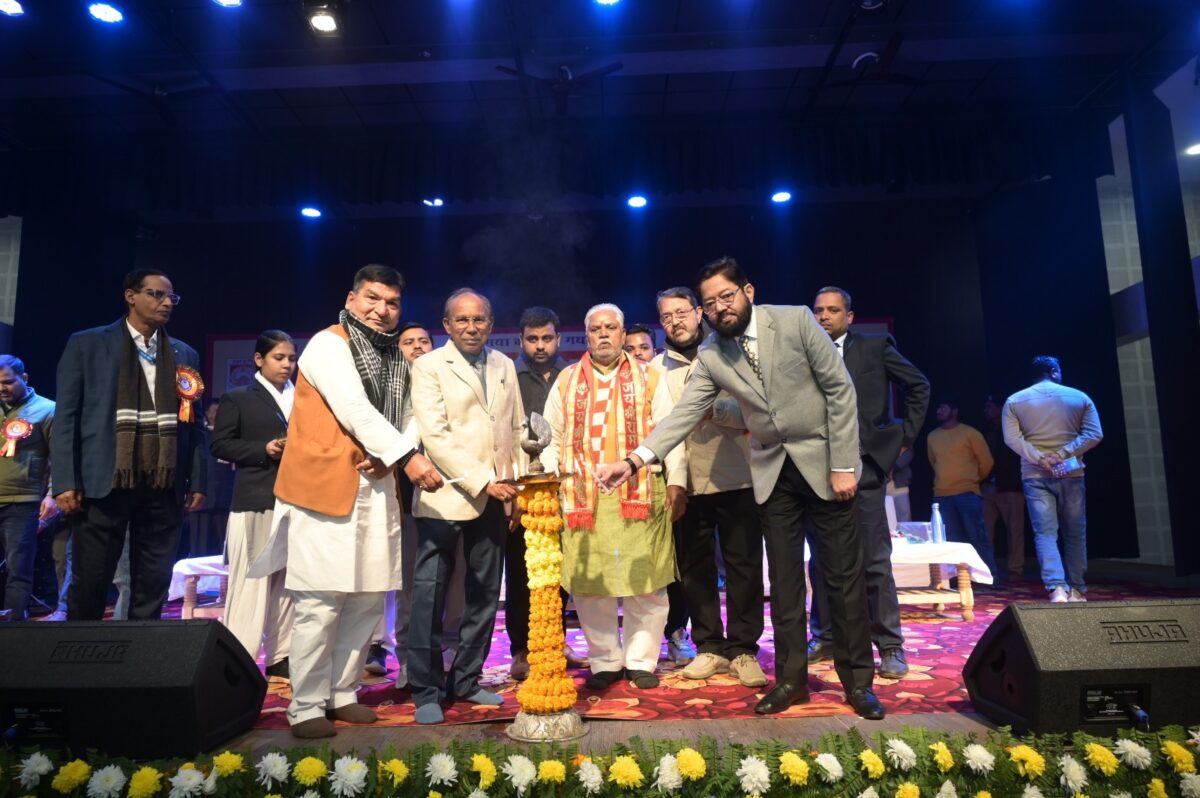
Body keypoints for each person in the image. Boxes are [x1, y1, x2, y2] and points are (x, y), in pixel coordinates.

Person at [597, 256, 884, 720]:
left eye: (726, 297)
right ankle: (790, 681)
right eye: (710, 303)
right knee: (784, 584)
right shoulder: (712, 354)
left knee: (842, 579)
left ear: (747, 291)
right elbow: (683, 415)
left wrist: (844, 465)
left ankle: (858, 682)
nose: (719, 308)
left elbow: (839, 390)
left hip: (826, 464)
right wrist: (633, 461)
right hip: (771, 473)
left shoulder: (795, 321)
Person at [266, 264, 443, 739]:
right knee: (320, 601)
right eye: (372, 299)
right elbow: (353, 408)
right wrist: (405, 457)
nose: (382, 310)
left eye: (392, 303)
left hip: (377, 483)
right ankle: (306, 704)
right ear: (351, 299)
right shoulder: (329, 344)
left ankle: (342, 693)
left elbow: (414, 414)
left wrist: (391, 454)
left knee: (367, 597)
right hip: (325, 484)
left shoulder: (396, 357)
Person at [51, 269, 208, 621]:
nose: (166, 303)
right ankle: (79, 651)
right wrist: (64, 481)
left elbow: (194, 424)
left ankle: (140, 651)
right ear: (130, 296)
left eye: (171, 297)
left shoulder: (184, 353)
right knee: (91, 581)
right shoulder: (88, 344)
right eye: (156, 294)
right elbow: (67, 418)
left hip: (163, 481)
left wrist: (197, 480)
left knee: (153, 583)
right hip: (104, 479)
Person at [543, 303, 686, 691]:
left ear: (623, 334)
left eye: (610, 328)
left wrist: (678, 482)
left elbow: (670, 433)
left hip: (642, 492)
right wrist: (552, 481)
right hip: (583, 496)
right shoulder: (567, 380)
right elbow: (551, 437)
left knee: (646, 580)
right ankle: (604, 660)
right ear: (586, 335)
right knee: (591, 584)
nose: (603, 334)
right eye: (596, 329)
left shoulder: (650, 376)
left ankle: (641, 660)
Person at [409, 288, 525, 724]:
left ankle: (467, 679)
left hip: (497, 495)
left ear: (491, 324)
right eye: (462, 320)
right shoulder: (428, 365)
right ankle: (426, 689)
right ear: (447, 325)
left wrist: (514, 486)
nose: (471, 327)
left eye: (479, 320)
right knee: (430, 594)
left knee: (485, 593)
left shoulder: (504, 364)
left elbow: (514, 430)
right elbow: (435, 435)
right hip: (446, 493)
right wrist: (483, 481)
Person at [807, 287, 929, 680]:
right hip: (817, 470)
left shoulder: (874, 347)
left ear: (850, 316)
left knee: (874, 560)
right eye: (818, 311)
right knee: (822, 561)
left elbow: (918, 385)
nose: (824, 317)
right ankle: (825, 636)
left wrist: (902, 439)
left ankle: (889, 644)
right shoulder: (805, 353)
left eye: (832, 310)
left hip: (865, 467)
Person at [651, 288, 766, 688]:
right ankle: (709, 646)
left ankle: (744, 648)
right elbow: (661, 429)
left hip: (737, 476)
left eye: (682, 312)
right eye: (667, 317)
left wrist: (709, 408)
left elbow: (754, 411)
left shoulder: (729, 353)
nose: (675, 322)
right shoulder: (655, 369)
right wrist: (674, 481)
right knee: (694, 570)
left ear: (699, 313)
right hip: (685, 483)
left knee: (743, 567)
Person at [364, 322, 466, 685]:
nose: (418, 347)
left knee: (456, 582)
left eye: (424, 341)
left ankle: (451, 651)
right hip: (405, 501)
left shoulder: (448, 382)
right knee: (411, 585)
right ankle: (409, 659)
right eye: (409, 342)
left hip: (454, 496)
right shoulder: (390, 392)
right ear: (398, 350)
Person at [506, 306, 588, 681]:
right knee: (521, 570)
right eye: (532, 339)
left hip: (563, 486)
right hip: (523, 490)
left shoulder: (571, 377)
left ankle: (555, 641)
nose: (540, 346)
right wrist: (511, 489)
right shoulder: (509, 377)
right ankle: (521, 649)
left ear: (559, 339)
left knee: (559, 568)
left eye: (547, 338)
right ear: (521, 340)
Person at [210, 330, 297, 678]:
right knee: (251, 580)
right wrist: (264, 449)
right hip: (256, 498)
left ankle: (281, 655)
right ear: (259, 359)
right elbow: (220, 444)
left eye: (291, 358)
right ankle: (239, 657)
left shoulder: (303, 398)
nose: (287, 365)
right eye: (279, 357)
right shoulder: (239, 398)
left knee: (289, 581)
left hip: (296, 499)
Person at [624, 321, 697, 667]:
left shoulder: (660, 381)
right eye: (630, 348)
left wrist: (676, 481)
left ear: (654, 351)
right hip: (626, 488)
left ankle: (677, 632)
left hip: (665, 482)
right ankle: (633, 644)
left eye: (643, 348)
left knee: (675, 564)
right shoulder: (615, 386)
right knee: (635, 569)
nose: (637, 354)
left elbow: (673, 433)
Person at [1002, 356, 1102, 603]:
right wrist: (1063, 454)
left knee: (1045, 533)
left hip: (1035, 474)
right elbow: (1094, 434)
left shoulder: (1014, 400)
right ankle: (1077, 590)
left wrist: (1041, 458)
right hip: (1072, 472)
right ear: (1054, 371)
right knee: (1075, 533)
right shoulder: (1080, 397)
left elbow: (1012, 439)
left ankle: (1056, 588)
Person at [0, 355, 58, 619]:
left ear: (24, 378)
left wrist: (52, 494)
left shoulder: (47, 409)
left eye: (7, 382)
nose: (2, 388)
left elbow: (58, 457)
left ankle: (13, 629)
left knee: (18, 569)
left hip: (23, 502)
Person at [926, 398, 998, 580]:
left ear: (955, 410)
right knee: (950, 540)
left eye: (943, 406)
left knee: (977, 537)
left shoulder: (970, 433)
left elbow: (986, 462)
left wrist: (974, 480)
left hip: (967, 493)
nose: (939, 410)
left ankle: (989, 576)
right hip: (942, 495)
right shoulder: (932, 436)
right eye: (938, 407)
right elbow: (934, 462)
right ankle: (957, 579)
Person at [982, 395, 1025, 579]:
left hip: (1011, 487)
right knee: (985, 529)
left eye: (989, 407)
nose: (986, 411)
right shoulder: (988, 432)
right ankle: (986, 567)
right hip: (989, 486)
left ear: (1000, 408)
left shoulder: (1014, 431)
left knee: (1014, 530)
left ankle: (1015, 568)